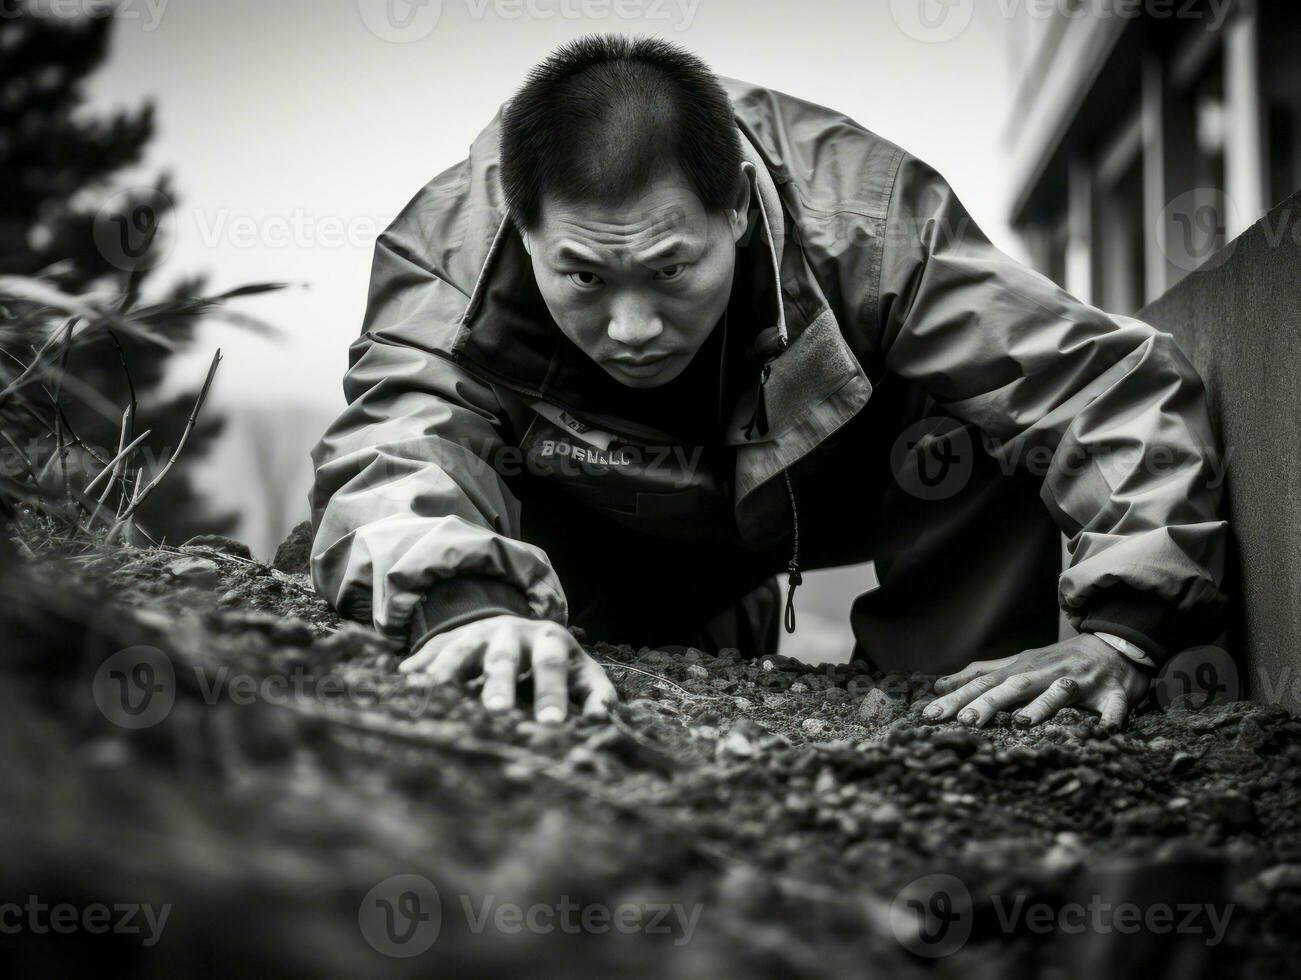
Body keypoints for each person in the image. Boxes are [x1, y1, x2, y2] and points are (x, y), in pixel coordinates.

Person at [308, 35, 1227, 730]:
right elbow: (393, 450)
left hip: (831, 484)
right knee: (367, 581)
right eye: (584, 276)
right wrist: (462, 608)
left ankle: (947, 703)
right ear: (523, 224)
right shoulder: (446, 254)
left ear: (738, 206)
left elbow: (1101, 382)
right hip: (596, 519)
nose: (631, 330)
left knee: (968, 426)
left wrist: (1125, 626)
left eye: (669, 270)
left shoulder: (864, 217)